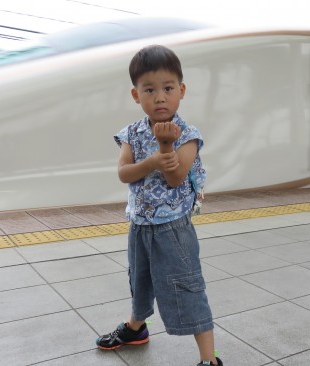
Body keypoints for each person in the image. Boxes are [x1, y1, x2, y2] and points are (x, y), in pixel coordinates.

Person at [96, 44, 221, 366]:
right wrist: (151, 160)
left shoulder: (188, 134)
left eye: (167, 89)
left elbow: (177, 177)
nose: (160, 97)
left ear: (181, 91)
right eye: (149, 89)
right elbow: (124, 173)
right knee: (139, 280)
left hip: (174, 229)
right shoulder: (131, 133)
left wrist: (166, 144)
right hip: (139, 226)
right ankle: (137, 328)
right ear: (136, 95)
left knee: (187, 286)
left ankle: (209, 358)